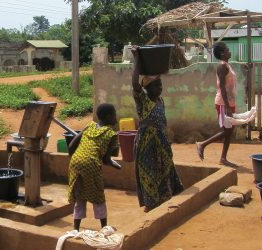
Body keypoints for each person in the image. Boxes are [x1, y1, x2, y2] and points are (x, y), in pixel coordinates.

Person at [131, 46, 184, 213]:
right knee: (148, 172)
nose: (159, 88)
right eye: (156, 86)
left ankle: (165, 197)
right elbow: (134, 83)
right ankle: (150, 203)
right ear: (148, 88)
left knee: (165, 168)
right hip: (146, 143)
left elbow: (163, 121)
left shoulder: (160, 101)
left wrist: (167, 139)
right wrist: (137, 60)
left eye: (160, 85)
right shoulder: (143, 101)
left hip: (160, 141)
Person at [67, 103, 121, 231]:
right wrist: (116, 165)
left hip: (75, 162)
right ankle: (104, 228)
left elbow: (71, 147)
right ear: (108, 117)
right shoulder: (111, 134)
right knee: (98, 197)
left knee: (80, 198)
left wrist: (78, 159)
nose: (116, 117)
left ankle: (76, 229)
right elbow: (106, 160)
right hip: (91, 163)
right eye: (114, 114)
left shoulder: (89, 126)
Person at [196, 42, 237, 167]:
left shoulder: (227, 66)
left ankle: (223, 158)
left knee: (229, 130)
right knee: (227, 130)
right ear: (222, 53)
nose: (229, 51)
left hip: (229, 102)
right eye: (227, 49)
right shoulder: (222, 67)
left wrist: (231, 104)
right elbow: (222, 88)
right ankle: (202, 144)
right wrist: (228, 106)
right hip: (223, 103)